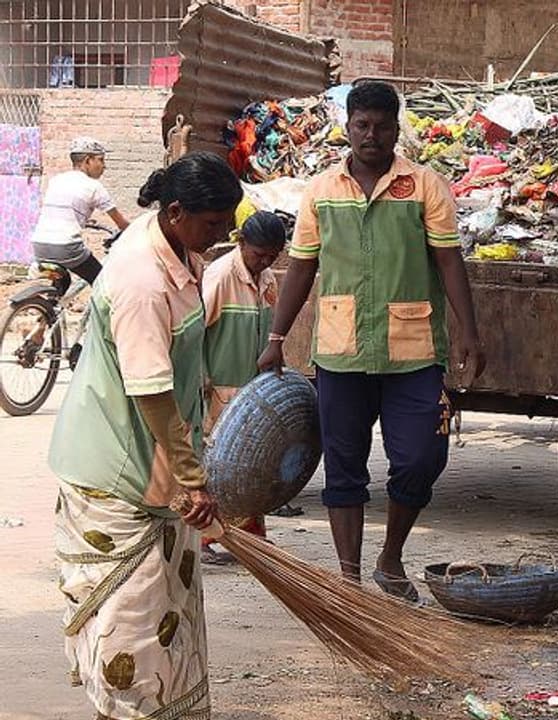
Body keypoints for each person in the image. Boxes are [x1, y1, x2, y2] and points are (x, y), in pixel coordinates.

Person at [258, 81, 486, 601]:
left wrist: (469, 332)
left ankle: (390, 558)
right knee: (343, 466)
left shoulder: (425, 186)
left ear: (396, 129)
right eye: (362, 125)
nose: (372, 136)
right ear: (348, 127)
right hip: (341, 351)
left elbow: (449, 259)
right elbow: (301, 267)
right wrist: (277, 336)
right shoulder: (321, 191)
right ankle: (349, 581)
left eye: (382, 127)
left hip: (415, 351)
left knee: (423, 456)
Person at [49, 152, 241, 720]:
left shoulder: (185, 252)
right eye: (213, 224)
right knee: (130, 622)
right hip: (111, 470)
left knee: (169, 608)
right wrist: (193, 477)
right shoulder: (139, 279)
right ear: (176, 211)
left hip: (155, 462)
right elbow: (152, 391)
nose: (221, 235)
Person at [199, 210, 287, 564]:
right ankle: (205, 538)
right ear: (241, 243)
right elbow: (194, 333)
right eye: (259, 254)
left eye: (272, 255)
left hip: (251, 390)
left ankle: (251, 534)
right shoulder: (219, 277)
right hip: (219, 389)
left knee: (251, 463)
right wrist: (201, 380)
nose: (264, 262)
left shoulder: (266, 279)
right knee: (219, 466)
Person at [29, 137, 130, 285]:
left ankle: (51, 304)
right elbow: (121, 223)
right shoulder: (94, 187)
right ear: (87, 160)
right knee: (101, 283)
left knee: (63, 280)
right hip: (66, 248)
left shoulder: (57, 180)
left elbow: (62, 210)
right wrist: (137, 231)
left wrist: (84, 220)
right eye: (100, 160)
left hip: (40, 245)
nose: (104, 166)